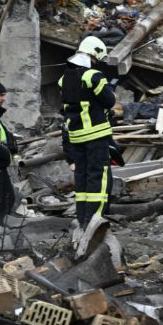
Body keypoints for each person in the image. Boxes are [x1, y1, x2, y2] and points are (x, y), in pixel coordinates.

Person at [59, 36, 117, 229]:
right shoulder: (94, 76)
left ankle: (83, 218)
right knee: (98, 177)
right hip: (95, 135)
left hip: (76, 137)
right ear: (94, 56)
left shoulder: (63, 79)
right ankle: (96, 219)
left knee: (82, 177)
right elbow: (109, 101)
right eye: (98, 60)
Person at [0, 82, 18, 229]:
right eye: (0, 95)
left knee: (8, 199)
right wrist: (5, 151)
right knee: (1, 201)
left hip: (0, 167)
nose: (3, 99)